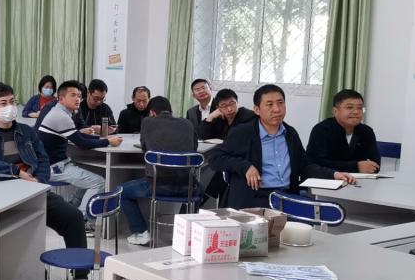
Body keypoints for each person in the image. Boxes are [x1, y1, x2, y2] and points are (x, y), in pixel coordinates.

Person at [0, 82, 90, 280]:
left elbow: (43, 159)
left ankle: (81, 279)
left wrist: (40, 183)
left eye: (12, 102)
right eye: (3, 103)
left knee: (73, 217)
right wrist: (16, 172)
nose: (10, 107)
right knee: (27, 235)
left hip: (34, 191)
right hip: (2, 197)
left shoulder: (26, 131)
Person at [207, 84, 354, 209]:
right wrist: (245, 167)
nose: (277, 109)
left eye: (280, 103)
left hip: (287, 197)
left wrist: (333, 174)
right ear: (257, 110)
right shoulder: (243, 132)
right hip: (254, 199)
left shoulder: (290, 133)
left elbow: (304, 166)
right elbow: (215, 157)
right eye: (269, 104)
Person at [37, 81, 122, 229]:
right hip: (53, 168)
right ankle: (81, 220)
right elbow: (82, 143)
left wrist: (103, 138)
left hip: (59, 163)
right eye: (73, 95)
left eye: (79, 96)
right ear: (61, 98)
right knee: (99, 183)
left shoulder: (64, 112)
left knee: (90, 175)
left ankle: (72, 210)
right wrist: (107, 141)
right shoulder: (60, 115)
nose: (77, 99)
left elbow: (80, 136)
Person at [118, 96, 199, 246]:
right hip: (187, 187)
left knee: (121, 191)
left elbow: (145, 149)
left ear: (152, 112)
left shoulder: (147, 122)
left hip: (157, 185)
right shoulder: (187, 123)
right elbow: (193, 149)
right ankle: (184, 232)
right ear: (171, 111)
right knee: (199, 191)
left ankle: (141, 233)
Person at [307, 90, 381, 174]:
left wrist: (362, 167)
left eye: (359, 108)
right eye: (349, 107)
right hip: (328, 179)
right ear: (335, 111)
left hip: (361, 180)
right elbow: (314, 163)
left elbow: (375, 165)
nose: (356, 112)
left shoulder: (366, 131)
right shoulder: (321, 130)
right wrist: (356, 166)